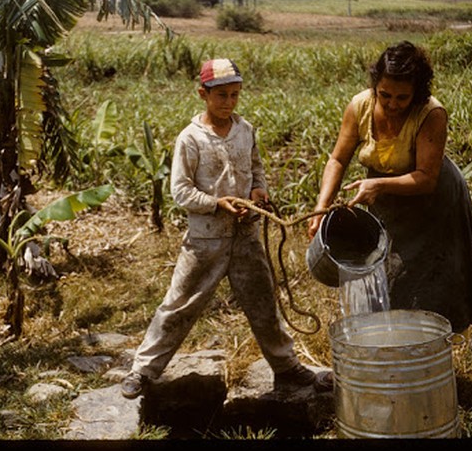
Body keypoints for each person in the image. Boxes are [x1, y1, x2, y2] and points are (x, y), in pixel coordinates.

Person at [121, 58, 333, 400]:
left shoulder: (244, 129)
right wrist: (217, 203)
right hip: (205, 239)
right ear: (202, 94)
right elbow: (180, 191)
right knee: (179, 305)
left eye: (235, 95)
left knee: (264, 303)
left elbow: (256, 168)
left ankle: (286, 369)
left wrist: (258, 191)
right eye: (221, 96)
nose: (229, 103)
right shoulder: (191, 139)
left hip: (246, 236)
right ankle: (143, 371)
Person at [308, 41, 472, 333]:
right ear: (375, 85)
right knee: (384, 266)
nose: (392, 104)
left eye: (402, 98)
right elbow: (338, 160)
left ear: (417, 92)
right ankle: (390, 335)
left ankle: (431, 338)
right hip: (386, 195)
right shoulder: (360, 107)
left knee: (429, 273)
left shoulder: (431, 114)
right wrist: (320, 207)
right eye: (385, 95)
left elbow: (426, 178)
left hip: (433, 199)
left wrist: (378, 184)